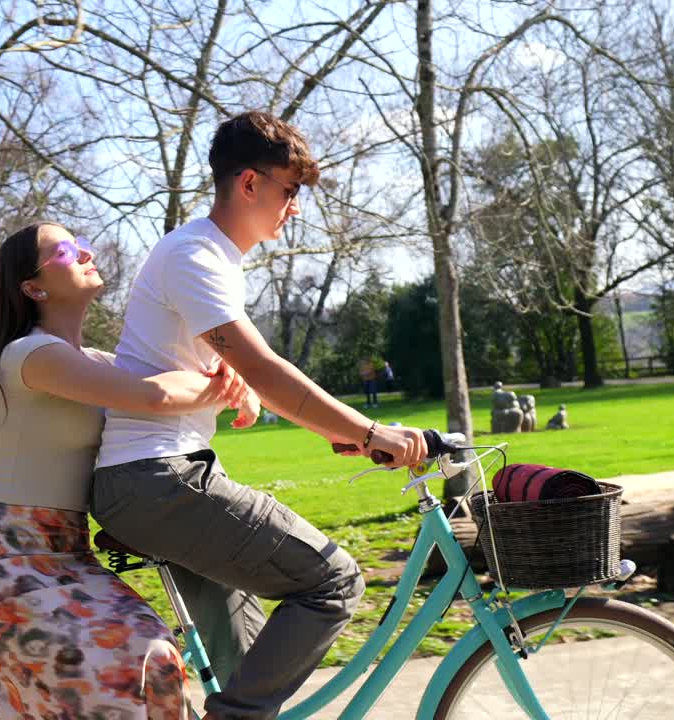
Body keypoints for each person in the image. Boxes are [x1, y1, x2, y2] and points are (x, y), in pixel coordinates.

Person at [91, 111, 428, 720]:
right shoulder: (194, 255)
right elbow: (267, 371)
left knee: (239, 658)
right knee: (333, 582)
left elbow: (245, 377)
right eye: (289, 189)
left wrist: (333, 430)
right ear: (249, 183)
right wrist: (371, 431)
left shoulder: (214, 260)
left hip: (157, 481)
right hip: (157, 480)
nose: (295, 206)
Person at [0, 221, 251, 719]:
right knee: (133, 660)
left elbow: (169, 387)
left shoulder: (90, 361)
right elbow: (154, 395)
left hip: (69, 555)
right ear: (34, 287)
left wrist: (237, 384)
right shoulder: (31, 354)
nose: (85, 251)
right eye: (67, 250)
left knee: (157, 661)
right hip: (9, 567)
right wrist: (229, 386)